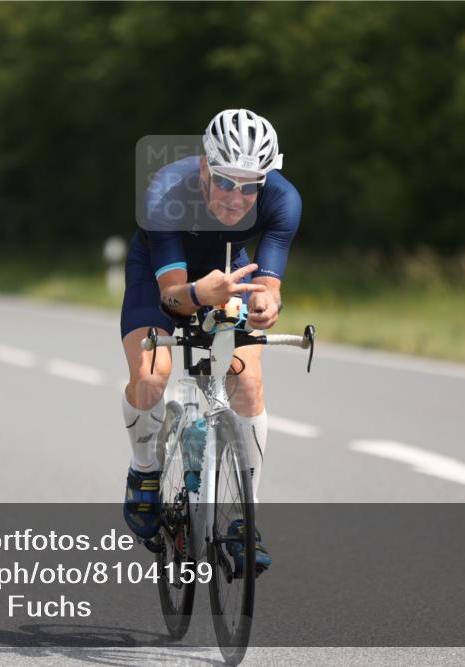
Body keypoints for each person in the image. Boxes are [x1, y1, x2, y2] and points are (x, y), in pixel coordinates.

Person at [120, 109, 302, 574]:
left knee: (249, 383)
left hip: (228, 268)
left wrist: (266, 301)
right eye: (225, 182)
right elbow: (173, 298)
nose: (237, 197)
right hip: (164, 276)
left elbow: (270, 284)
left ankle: (244, 518)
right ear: (205, 167)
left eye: (249, 185)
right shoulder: (164, 191)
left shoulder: (283, 200)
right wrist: (201, 294)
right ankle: (144, 471)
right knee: (150, 379)